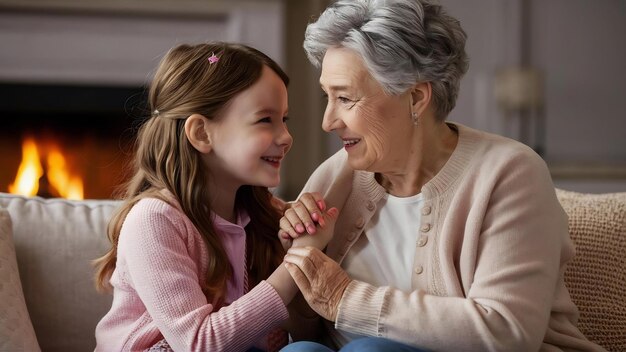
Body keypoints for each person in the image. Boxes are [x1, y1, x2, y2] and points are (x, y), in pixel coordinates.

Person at [277, 1, 605, 351]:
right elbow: (309, 332)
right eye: (327, 97)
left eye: (345, 98)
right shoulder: (336, 175)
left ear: (416, 97)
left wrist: (344, 298)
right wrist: (301, 277)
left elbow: (508, 332)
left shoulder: (509, 174)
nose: (328, 121)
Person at [92, 42, 336, 352]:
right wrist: (299, 263)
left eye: (284, 120)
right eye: (265, 120)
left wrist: (308, 245)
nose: (286, 137)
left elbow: (305, 336)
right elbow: (198, 345)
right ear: (202, 134)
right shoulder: (154, 220)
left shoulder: (267, 216)